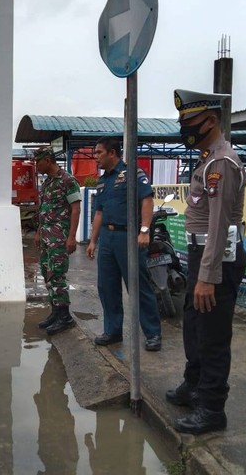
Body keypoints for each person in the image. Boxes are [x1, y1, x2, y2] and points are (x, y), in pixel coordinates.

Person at [166, 89, 246, 435]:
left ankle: (212, 408)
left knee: (213, 336)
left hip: (219, 258)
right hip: (204, 254)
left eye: (189, 121)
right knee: (194, 326)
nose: (185, 127)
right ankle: (194, 385)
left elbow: (219, 224)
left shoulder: (221, 164)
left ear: (210, 120)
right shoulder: (206, 160)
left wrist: (207, 276)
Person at [85, 137, 162, 351]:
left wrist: (145, 230)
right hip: (107, 240)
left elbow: (147, 199)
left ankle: (153, 333)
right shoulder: (102, 181)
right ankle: (113, 331)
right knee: (107, 287)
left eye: (99, 152)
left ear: (112, 153)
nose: (96, 157)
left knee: (138, 286)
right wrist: (93, 241)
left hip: (127, 237)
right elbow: (99, 212)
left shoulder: (132, 174)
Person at [34, 147, 82, 335]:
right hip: (46, 238)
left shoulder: (68, 181)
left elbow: (76, 209)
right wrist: (38, 232)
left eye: (38, 162)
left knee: (58, 275)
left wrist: (71, 237)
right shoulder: (47, 183)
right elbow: (44, 210)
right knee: (47, 274)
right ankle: (55, 312)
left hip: (59, 238)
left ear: (47, 160)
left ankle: (65, 317)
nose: (36, 166)